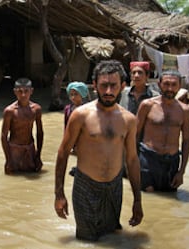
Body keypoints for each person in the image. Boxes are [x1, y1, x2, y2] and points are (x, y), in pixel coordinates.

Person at [54, 60, 143, 241]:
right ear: (94, 85)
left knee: (111, 237)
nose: (108, 91)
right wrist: (59, 194)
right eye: (104, 85)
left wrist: (137, 201)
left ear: (123, 86)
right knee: (86, 240)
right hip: (86, 186)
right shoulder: (81, 115)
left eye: (113, 86)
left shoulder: (129, 120)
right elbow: (63, 153)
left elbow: (132, 160)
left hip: (114, 187)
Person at [136, 70, 189, 192]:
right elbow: (135, 134)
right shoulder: (147, 105)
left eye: (174, 85)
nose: (170, 88)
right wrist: (131, 162)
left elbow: (186, 141)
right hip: (148, 157)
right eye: (166, 84)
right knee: (148, 195)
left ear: (179, 86)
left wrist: (181, 172)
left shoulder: (184, 110)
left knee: (169, 197)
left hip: (171, 161)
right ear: (159, 84)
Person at [1, 78, 43, 174]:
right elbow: (4, 136)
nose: (23, 95)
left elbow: (40, 133)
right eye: (20, 91)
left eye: (26, 91)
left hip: (30, 148)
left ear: (31, 91)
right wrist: (8, 159)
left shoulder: (36, 109)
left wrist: (38, 155)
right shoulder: (10, 111)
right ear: (15, 92)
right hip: (14, 149)